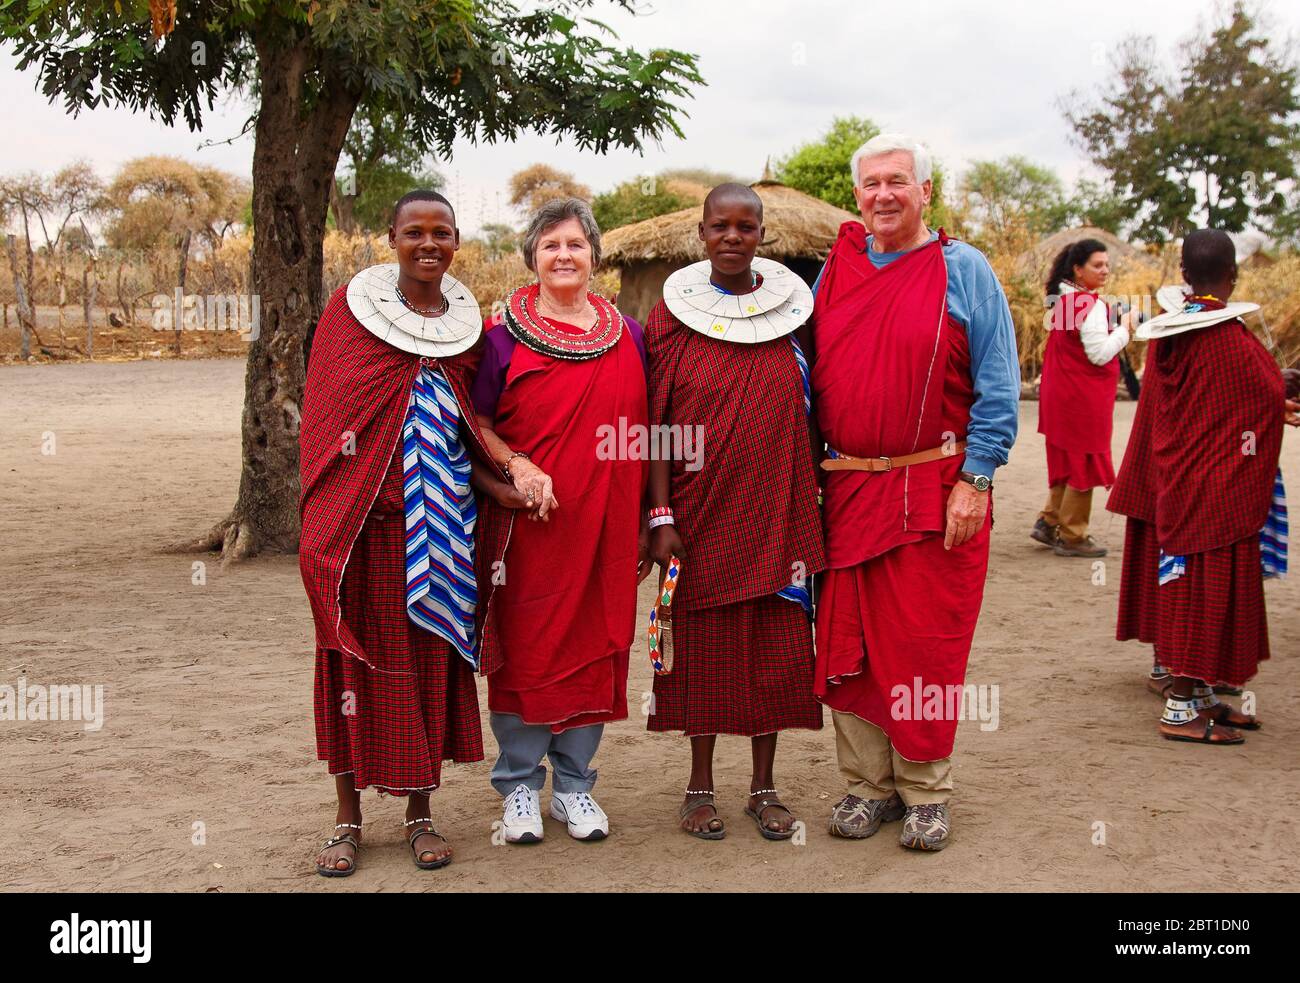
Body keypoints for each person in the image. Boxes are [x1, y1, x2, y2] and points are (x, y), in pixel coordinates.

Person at [301, 190, 521, 876]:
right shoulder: (350, 315)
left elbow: (461, 433)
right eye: (414, 232)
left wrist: (500, 486)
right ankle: (347, 818)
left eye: (442, 233)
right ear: (390, 238)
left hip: (442, 530)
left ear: (457, 241)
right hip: (363, 529)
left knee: (427, 663)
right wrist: (337, 508)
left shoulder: (466, 331)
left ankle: (422, 813)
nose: (429, 244)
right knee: (354, 664)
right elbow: (326, 416)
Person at [809, 134, 1020, 851]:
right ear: (857, 194)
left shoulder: (964, 270)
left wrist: (977, 477)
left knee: (923, 644)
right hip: (847, 490)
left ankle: (926, 789)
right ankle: (869, 785)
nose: (884, 195)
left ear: (925, 190)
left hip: (936, 488)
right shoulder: (836, 270)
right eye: (871, 184)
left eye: (898, 181)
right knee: (851, 640)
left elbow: (997, 383)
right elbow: (806, 376)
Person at [643, 184, 826, 840]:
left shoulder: (793, 314)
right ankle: (699, 785)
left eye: (745, 227)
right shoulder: (671, 316)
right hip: (700, 511)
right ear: (701, 232)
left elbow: (812, 414)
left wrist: (812, 499)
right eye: (719, 226)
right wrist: (661, 514)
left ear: (762, 235)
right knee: (701, 652)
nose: (731, 237)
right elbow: (656, 423)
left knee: (776, 652)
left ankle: (764, 784)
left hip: (779, 511)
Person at [470, 197, 650, 843]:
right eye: (551, 246)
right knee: (526, 655)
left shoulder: (630, 336)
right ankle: (518, 787)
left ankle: (573, 786)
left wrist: (648, 519)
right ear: (532, 258)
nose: (564, 255)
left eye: (575, 244)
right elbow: (478, 425)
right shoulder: (498, 340)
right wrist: (518, 465)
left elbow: (648, 432)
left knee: (594, 649)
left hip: (606, 528)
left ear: (595, 257)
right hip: (529, 534)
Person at [1109, 229, 1291, 744]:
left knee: (1193, 585)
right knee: (1198, 589)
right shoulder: (1223, 337)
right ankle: (1181, 710)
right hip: (1211, 488)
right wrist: (1282, 389)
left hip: (1187, 480)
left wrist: (1276, 389)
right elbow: (1258, 393)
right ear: (1233, 275)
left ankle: (1203, 696)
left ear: (1184, 275)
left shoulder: (1177, 329)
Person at [1032, 239, 1136, 557]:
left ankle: (1049, 521)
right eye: (1097, 265)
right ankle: (1073, 534)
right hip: (1082, 399)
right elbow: (1099, 354)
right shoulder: (1089, 306)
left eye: (1106, 265)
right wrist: (1125, 329)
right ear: (1078, 270)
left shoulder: (1063, 301)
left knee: (1068, 458)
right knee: (1084, 460)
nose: (1105, 271)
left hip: (1061, 395)